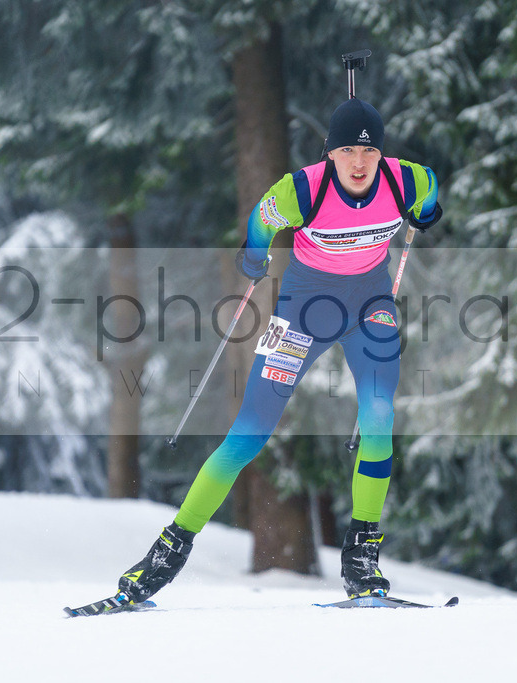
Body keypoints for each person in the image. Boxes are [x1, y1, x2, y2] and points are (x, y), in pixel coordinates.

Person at [116, 98, 441, 603]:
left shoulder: (405, 181)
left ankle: (362, 562)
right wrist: (253, 255)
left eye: (369, 152)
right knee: (249, 434)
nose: (360, 162)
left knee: (379, 418)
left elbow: (429, 191)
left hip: (370, 305)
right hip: (305, 310)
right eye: (349, 150)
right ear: (330, 153)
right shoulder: (302, 190)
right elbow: (260, 222)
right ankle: (164, 556)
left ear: (382, 156)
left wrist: (426, 211)